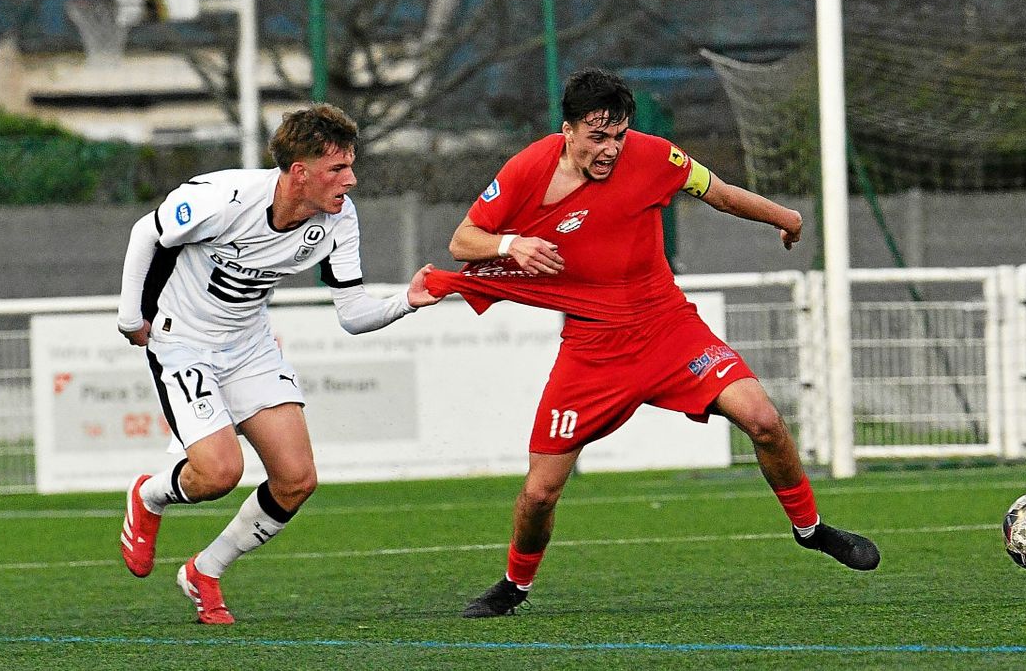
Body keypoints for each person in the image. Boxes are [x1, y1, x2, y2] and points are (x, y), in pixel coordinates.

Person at [425, 68, 879, 619]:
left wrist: (784, 217)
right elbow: (462, 242)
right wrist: (511, 243)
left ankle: (810, 529)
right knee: (541, 493)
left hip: (669, 330)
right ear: (566, 131)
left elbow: (721, 193)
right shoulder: (527, 168)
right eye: (598, 137)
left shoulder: (656, 156)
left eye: (618, 135)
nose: (611, 149)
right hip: (592, 351)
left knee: (763, 419)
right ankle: (513, 587)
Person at [116, 103, 442, 624]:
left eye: (351, 166)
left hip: (250, 348)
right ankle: (150, 495)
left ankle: (206, 570)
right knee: (220, 473)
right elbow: (145, 234)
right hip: (184, 343)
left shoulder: (339, 220)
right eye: (338, 169)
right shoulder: (224, 199)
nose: (351, 181)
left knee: (296, 479)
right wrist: (131, 318)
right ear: (299, 172)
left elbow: (353, 314)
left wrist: (406, 299)